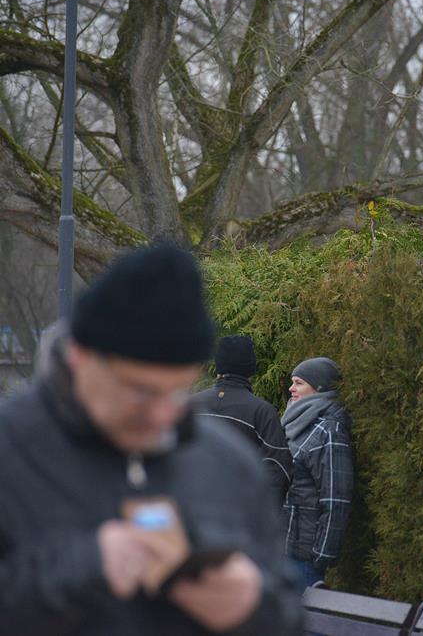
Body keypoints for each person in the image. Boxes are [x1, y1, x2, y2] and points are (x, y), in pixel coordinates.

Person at [0, 244, 302, 634]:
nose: (162, 415)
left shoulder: (228, 462)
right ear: (80, 355)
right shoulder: (12, 448)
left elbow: (288, 614)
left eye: (177, 391)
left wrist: (253, 608)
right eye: (141, 391)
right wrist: (82, 568)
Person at [192, 335, 294, 503]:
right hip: (240, 509)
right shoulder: (261, 411)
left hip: (190, 508)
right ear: (250, 368)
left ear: (218, 366)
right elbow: (278, 468)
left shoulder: (190, 405)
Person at [280, 357, 354, 588]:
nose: (291, 388)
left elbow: (336, 497)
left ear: (319, 387)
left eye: (299, 383)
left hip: (304, 557)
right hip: (282, 548)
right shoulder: (294, 423)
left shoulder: (329, 430)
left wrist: (321, 555)